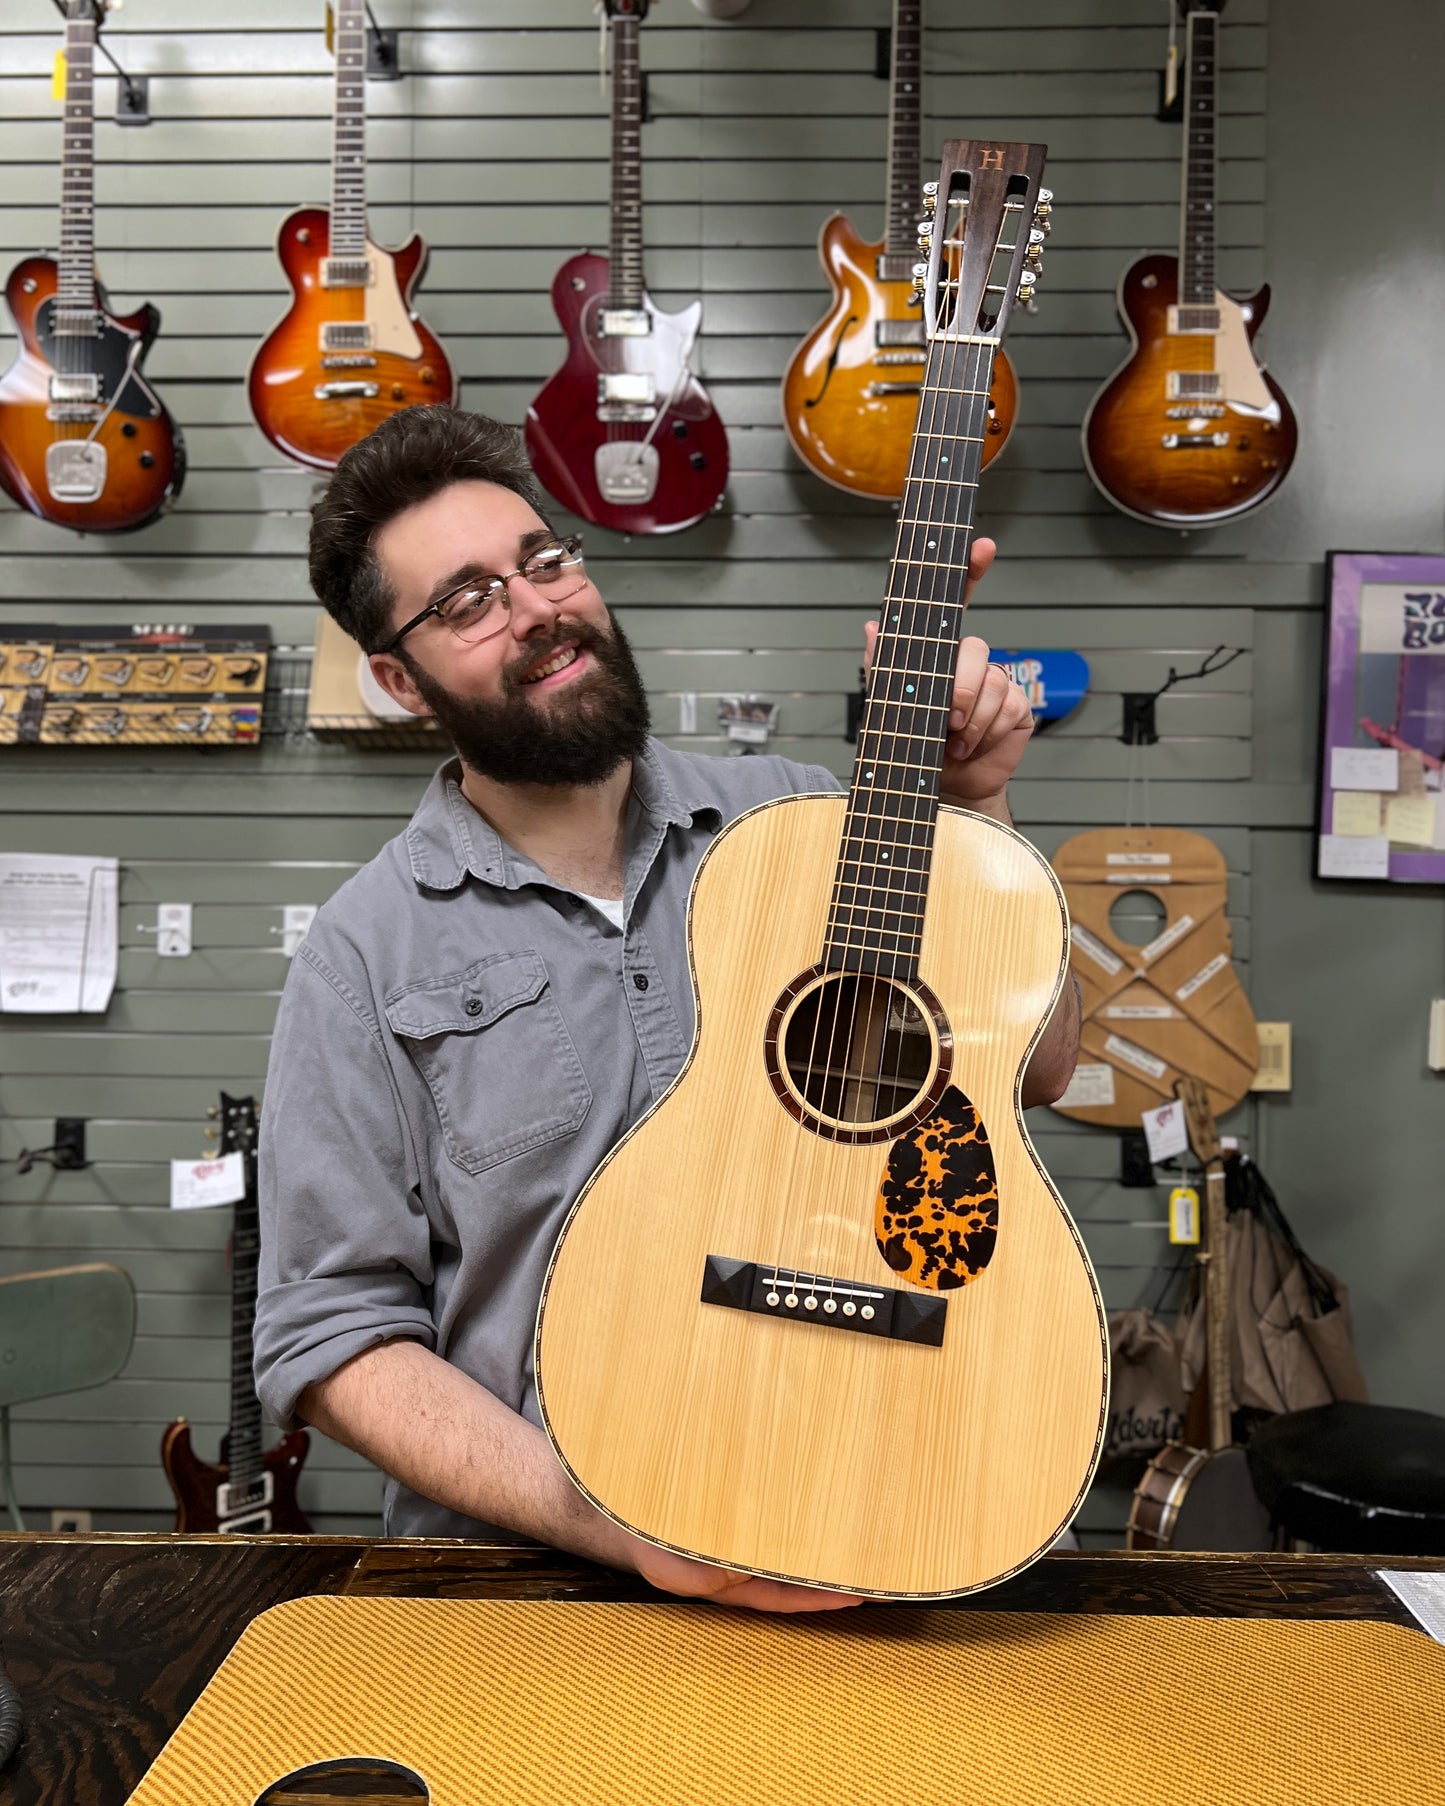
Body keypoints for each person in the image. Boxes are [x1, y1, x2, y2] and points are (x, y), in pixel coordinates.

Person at [254, 404, 1081, 1615]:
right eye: (469, 601)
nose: (538, 608)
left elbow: (1040, 1066)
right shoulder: (364, 952)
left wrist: (976, 812)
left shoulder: (805, 827)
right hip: (537, 1585)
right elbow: (328, 1330)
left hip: (909, 1502)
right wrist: (624, 1523)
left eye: (544, 560)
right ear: (396, 676)